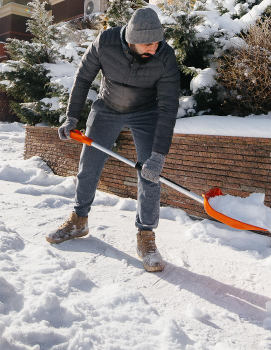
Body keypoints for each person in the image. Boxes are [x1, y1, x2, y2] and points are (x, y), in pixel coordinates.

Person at [46, 8, 180, 272]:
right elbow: (83, 77)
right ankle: (79, 220)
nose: (154, 49)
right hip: (107, 108)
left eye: (157, 43)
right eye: (148, 44)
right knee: (89, 165)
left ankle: (146, 236)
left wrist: (158, 155)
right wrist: (72, 118)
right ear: (131, 38)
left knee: (150, 175)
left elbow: (168, 107)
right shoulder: (105, 42)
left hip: (146, 112)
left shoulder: (165, 57)